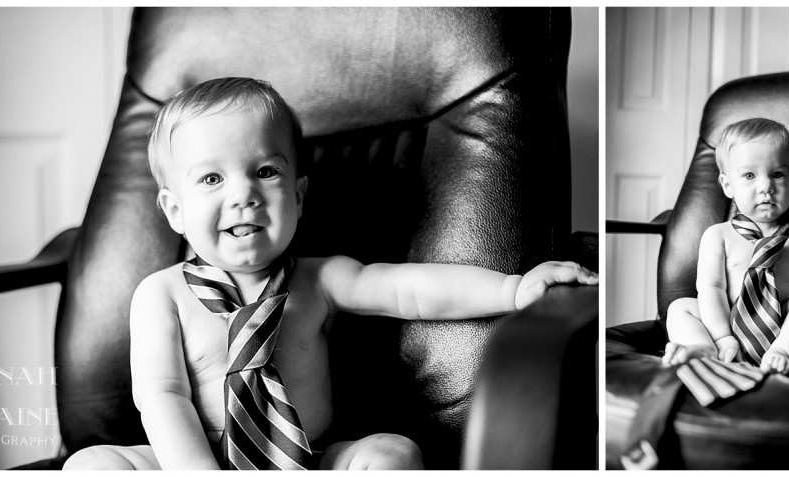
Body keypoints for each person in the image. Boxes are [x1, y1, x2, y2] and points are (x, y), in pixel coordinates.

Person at [62, 77, 597, 470]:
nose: (243, 193)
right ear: (174, 210)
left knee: (393, 454)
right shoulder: (163, 295)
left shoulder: (320, 280)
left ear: (297, 196)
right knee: (91, 467)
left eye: (265, 172)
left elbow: (410, 290)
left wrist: (513, 287)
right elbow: (161, 396)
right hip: (192, 457)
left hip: (310, 459)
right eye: (210, 178)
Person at [660, 118, 789, 375]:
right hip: (726, 326)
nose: (766, 187)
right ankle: (704, 349)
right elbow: (710, 288)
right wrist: (723, 337)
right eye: (749, 175)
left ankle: (782, 353)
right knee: (680, 307)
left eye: (777, 175)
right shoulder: (718, 236)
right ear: (727, 185)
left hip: (786, 328)